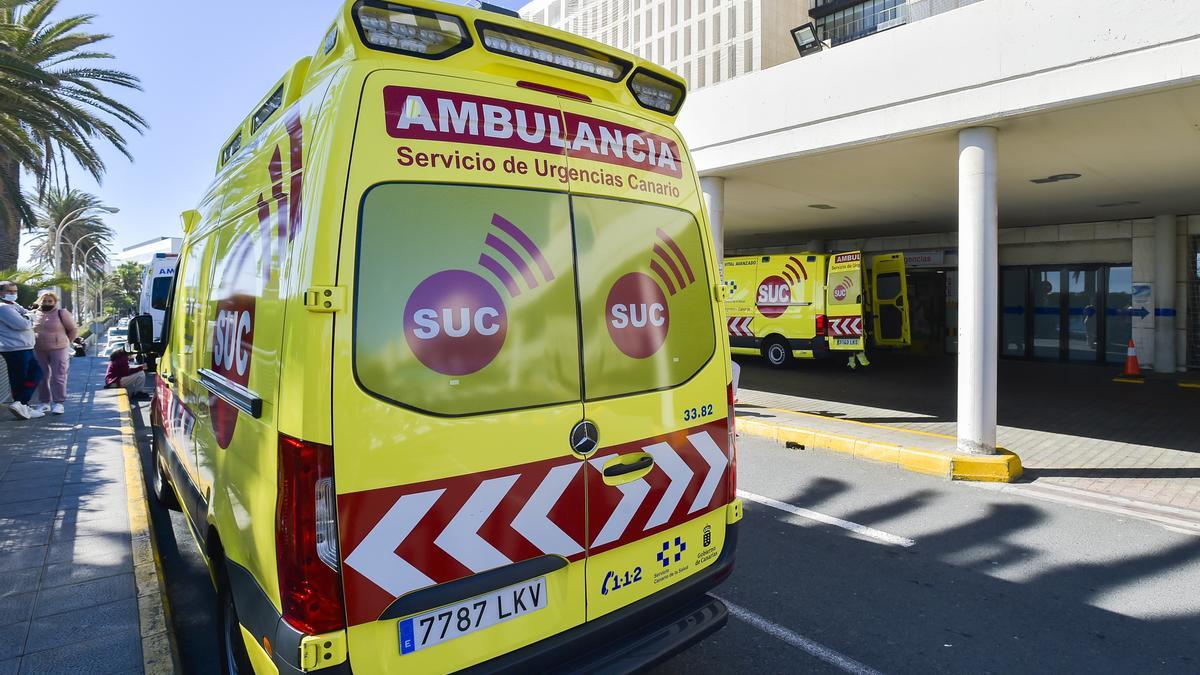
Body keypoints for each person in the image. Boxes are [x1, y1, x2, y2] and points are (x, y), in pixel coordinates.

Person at [0, 280, 45, 419]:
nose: (13, 294)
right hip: (14, 349)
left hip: (25, 347)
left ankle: (22, 405)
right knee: (22, 377)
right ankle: (21, 404)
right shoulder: (3, 308)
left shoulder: (13, 305)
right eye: (9, 291)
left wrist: (29, 317)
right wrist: (29, 318)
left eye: (15, 291)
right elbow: (22, 324)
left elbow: (30, 314)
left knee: (33, 373)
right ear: (1, 293)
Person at [31, 291, 77, 415]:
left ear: (55, 302)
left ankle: (59, 403)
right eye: (44, 301)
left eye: (50, 301)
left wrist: (66, 342)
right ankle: (45, 403)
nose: (47, 303)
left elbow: (73, 329)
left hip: (59, 349)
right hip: (39, 349)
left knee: (58, 376)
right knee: (42, 376)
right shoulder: (34, 314)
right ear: (39, 301)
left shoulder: (61, 313)